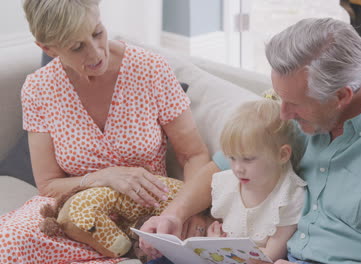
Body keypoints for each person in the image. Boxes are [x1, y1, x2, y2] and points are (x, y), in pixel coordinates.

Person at [140, 17, 361, 264]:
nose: (282, 114)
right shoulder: (308, 117)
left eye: (293, 104)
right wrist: (174, 215)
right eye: (280, 98)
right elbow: (225, 163)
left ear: (341, 96)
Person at [0, 0, 210, 263]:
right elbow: (48, 185)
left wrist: (181, 213)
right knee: (8, 243)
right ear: (48, 49)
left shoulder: (150, 69)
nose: (96, 53)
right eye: (77, 47)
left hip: (147, 216)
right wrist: (104, 176)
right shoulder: (38, 89)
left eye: (97, 32)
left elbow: (194, 157)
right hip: (75, 218)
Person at [205, 100, 306, 262]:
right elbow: (220, 229)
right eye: (232, 158)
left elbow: (269, 255)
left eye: (248, 159)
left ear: (282, 155)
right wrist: (213, 239)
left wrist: (221, 249)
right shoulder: (227, 183)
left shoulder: (290, 195)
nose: (238, 168)